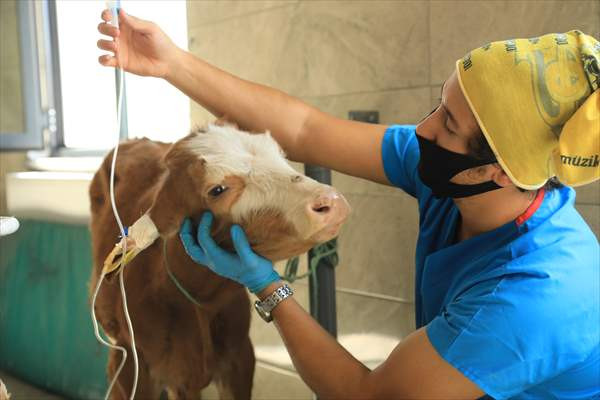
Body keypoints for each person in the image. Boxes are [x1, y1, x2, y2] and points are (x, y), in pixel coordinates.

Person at [97, 9, 600, 399]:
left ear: (500, 170)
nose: (421, 129)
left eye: (447, 124)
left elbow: (370, 395)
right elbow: (306, 130)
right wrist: (171, 63)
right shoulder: (462, 183)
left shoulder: (535, 295)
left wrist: (266, 285)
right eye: (438, 106)